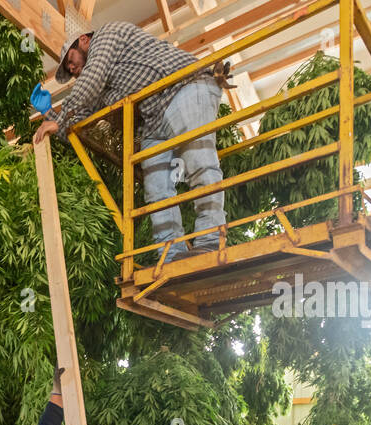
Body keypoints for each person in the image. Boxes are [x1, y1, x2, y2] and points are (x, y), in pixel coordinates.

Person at [33, 19, 227, 263]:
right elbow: (76, 124)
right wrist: (49, 114)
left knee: (200, 164)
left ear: (83, 40)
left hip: (185, 86)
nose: (71, 69)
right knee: (156, 190)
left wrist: (61, 118)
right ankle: (171, 254)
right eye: (69, 69)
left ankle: (210, 241)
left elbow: (90, 80)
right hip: (154, 116)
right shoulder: (101, 87)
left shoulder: (108, 33)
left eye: (70, 61)